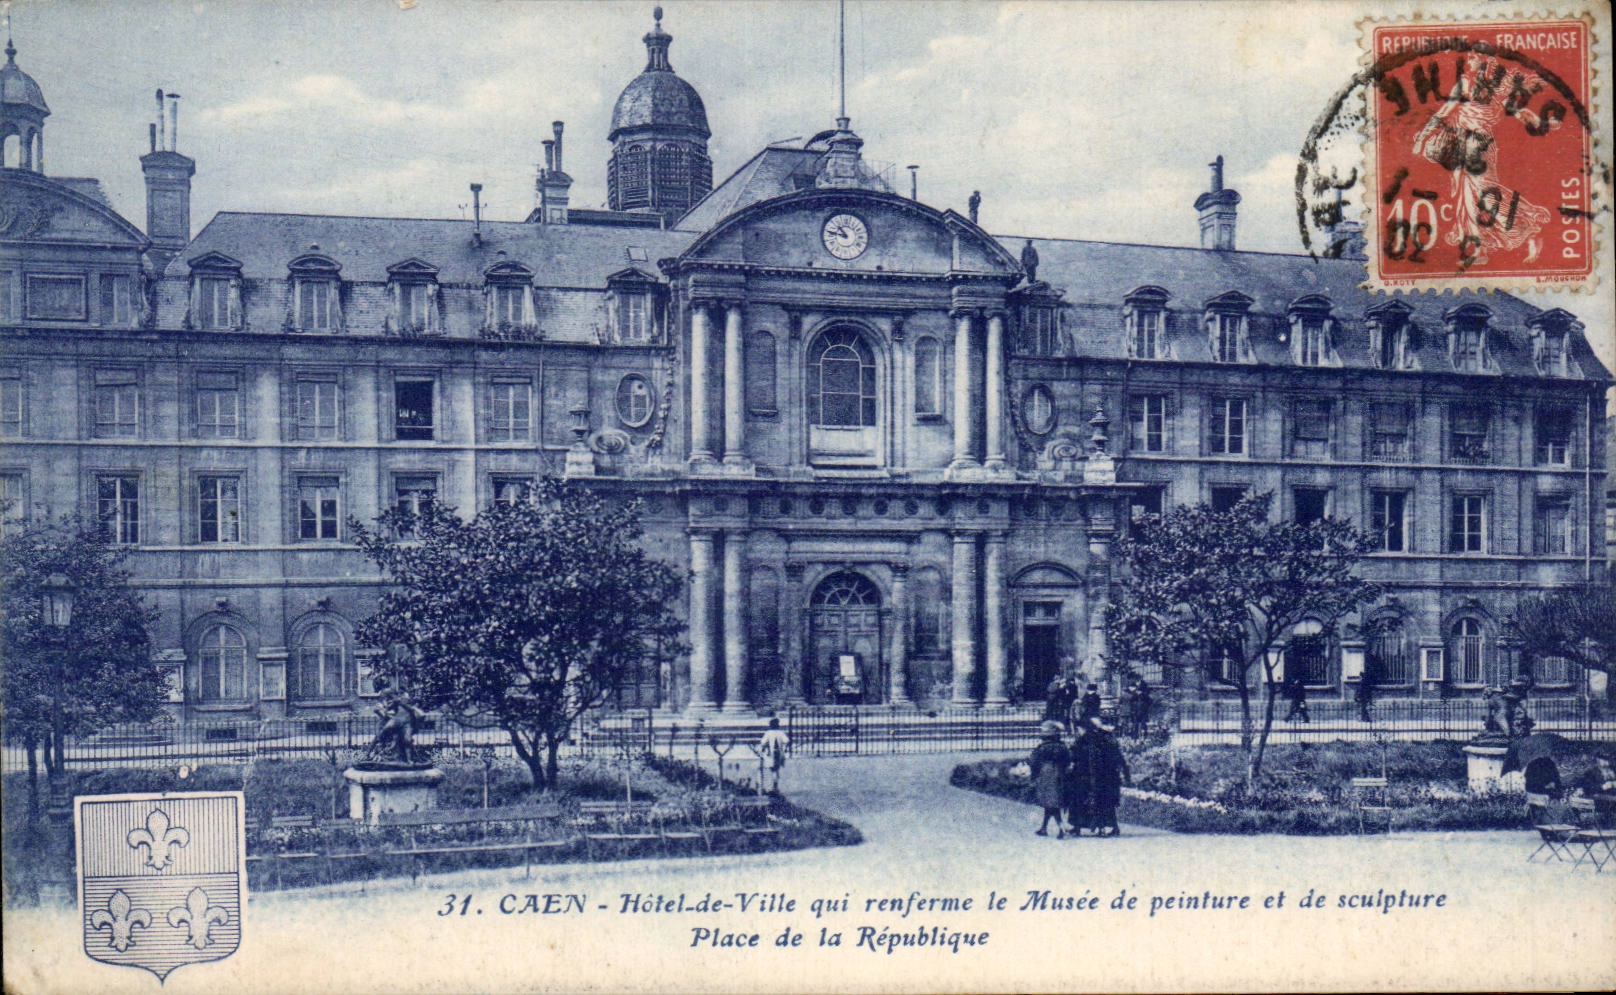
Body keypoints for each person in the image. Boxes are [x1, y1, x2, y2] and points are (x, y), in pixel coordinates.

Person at [1085, 718, 1131, 837]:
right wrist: (1126, 775)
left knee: (1099, 802)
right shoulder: (1113, 743)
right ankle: (1114, 827)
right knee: (1109, 804)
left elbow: (1093, 761)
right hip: (1112, 777)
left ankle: (1102, 828)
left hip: (1100, 777)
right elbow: (1121, 760)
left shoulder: (1097, 744)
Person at [1028, 721, 1070, 837]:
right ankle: (1044, 827)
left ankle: (1061, 827)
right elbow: (1068, 760)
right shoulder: (1062, 747)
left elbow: (1033, 762)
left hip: (1046, 775)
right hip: (1060, 774)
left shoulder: (1042, 748)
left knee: (1050, 803)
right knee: (1052, 801)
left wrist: (1033, 777)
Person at [1063, 722, 1094, 836]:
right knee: (1083, 801)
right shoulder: (1091, 740)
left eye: (1079, 729)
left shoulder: (1081, 741)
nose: (1078, 731)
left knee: (1077, 801)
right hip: (1087, 774)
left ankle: (1077, 827)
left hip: (1079, 774)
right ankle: (1079, 826)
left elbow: (1073, 755)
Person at [758, 718, 790, 794]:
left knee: (772, 770)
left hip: (770, 754)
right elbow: (787, 741)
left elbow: (763, 743)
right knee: (776, 770)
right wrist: (784, 749)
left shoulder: (768, 733)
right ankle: (775, 786)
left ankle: (771, 787)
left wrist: (762, 750)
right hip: (779, 753)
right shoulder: (780, 733)